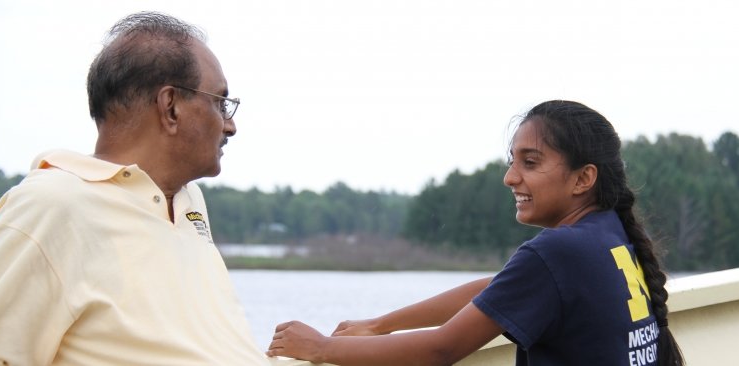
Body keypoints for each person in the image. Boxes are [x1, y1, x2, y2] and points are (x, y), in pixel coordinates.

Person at [267, 100, 684, 366]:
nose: (509, 177)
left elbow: (440, 350)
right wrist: (380, 324)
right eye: (512, 161)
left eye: (531, 162)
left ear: (583, 179)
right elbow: (497, 288)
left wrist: (321, 348)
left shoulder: (558, 250)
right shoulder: (606, 231)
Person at [0, 12, 272, 365]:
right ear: (170, 107)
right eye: (219, 102)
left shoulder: (187, 202)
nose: (230, 126)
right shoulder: (51, 205)